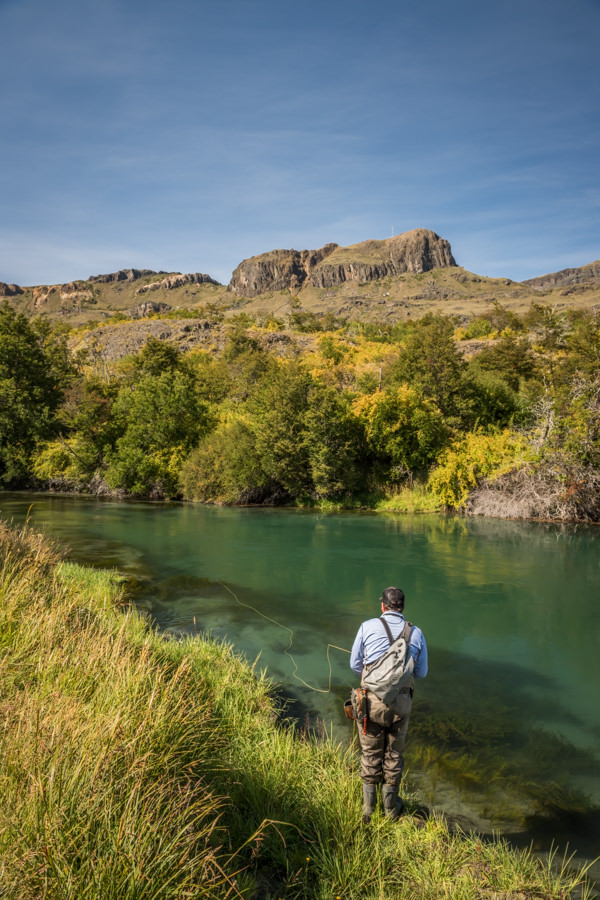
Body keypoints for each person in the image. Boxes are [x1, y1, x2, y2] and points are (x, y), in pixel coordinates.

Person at [350, 586, 428, 823]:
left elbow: (355, 665)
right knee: (393, 754)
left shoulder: (367, 626)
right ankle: (391, 810)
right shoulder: (416, 633)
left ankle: (368, 810)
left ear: (382, 605)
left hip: (370, 702)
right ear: (402, 607)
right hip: (401, 704)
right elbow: (422, 673)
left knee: (371, 752)